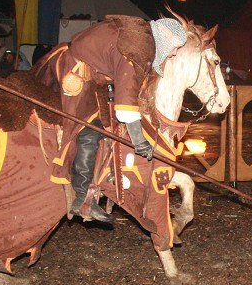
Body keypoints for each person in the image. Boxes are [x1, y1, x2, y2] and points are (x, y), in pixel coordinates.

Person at [34, 15, 187, 222]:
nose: (175, 52)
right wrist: (138, 140)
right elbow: (126, 97)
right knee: (90, 128)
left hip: (96, 70)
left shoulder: (145, 39)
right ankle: (81, 198)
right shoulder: (138, 48)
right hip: (78, 67)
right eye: (175, 47)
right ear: (165, 38)